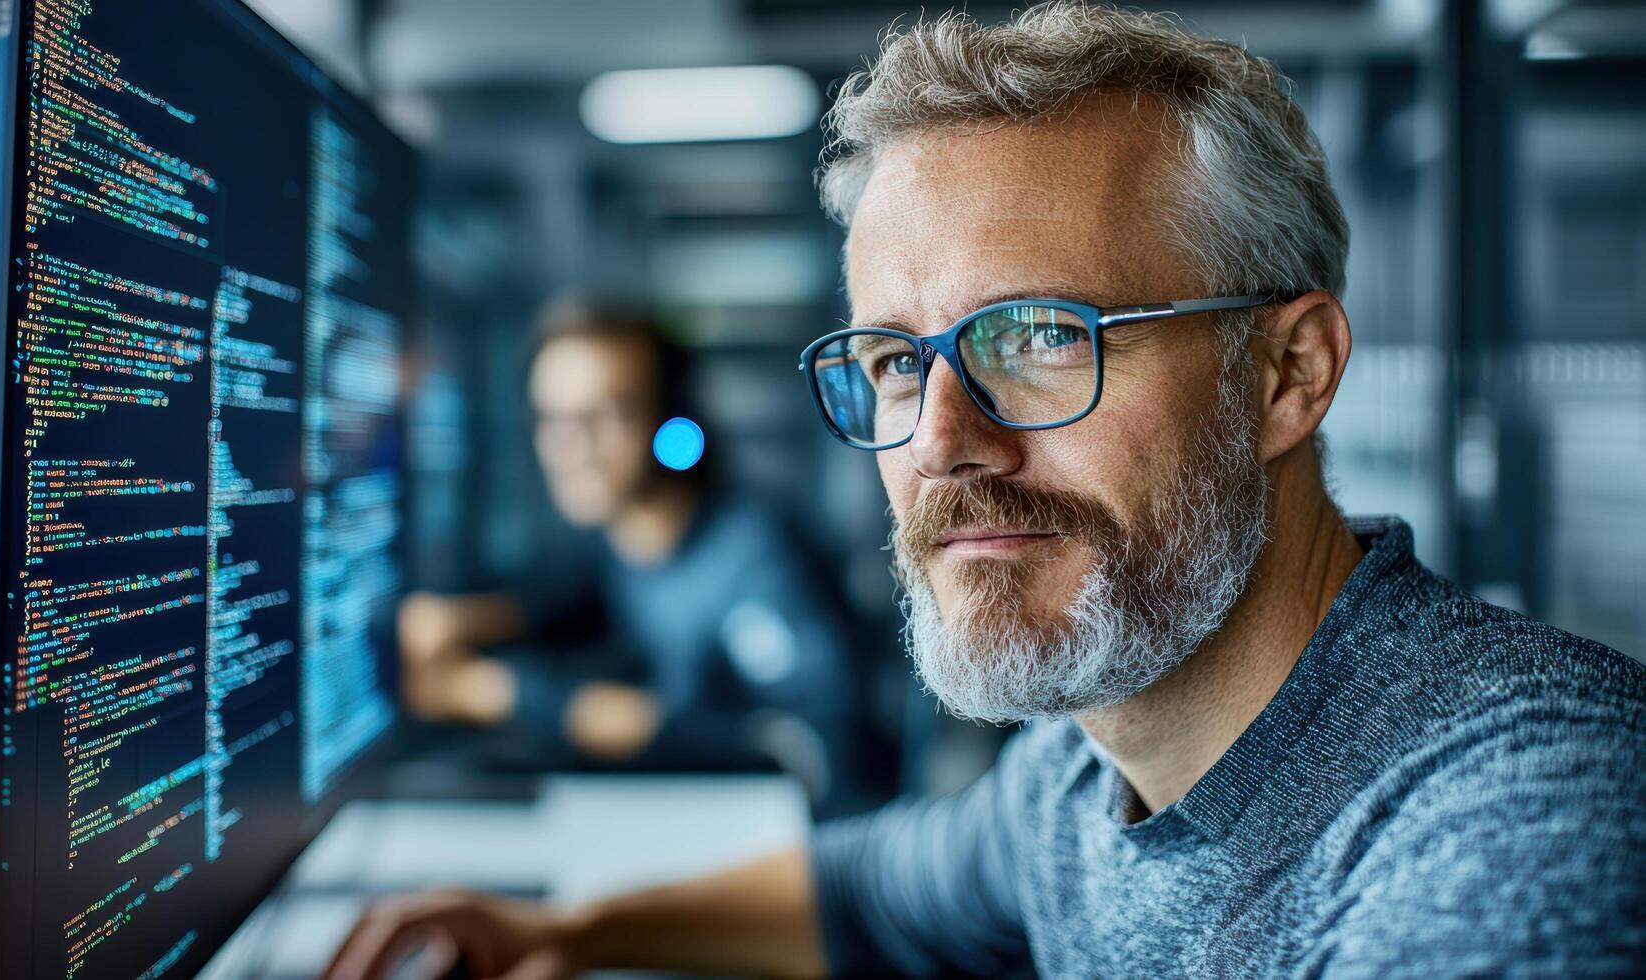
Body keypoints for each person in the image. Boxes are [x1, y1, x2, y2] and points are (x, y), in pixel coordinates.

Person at [328, 4, 1646, 978]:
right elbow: (876, 891)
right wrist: (569, 930)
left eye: (1041, 338)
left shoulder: (1513, 823)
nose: (943, 442)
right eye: (898, 361)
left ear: (1285, 376)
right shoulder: (1085, 770)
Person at [398, 299, 859, 806]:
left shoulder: (755, 560)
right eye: (553, 418)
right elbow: (567, 596)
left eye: (607, 414)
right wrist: (461, 622)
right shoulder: (624, 541)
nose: (571, 447)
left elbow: (810, 750)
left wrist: (486, 692)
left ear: (673, 421)